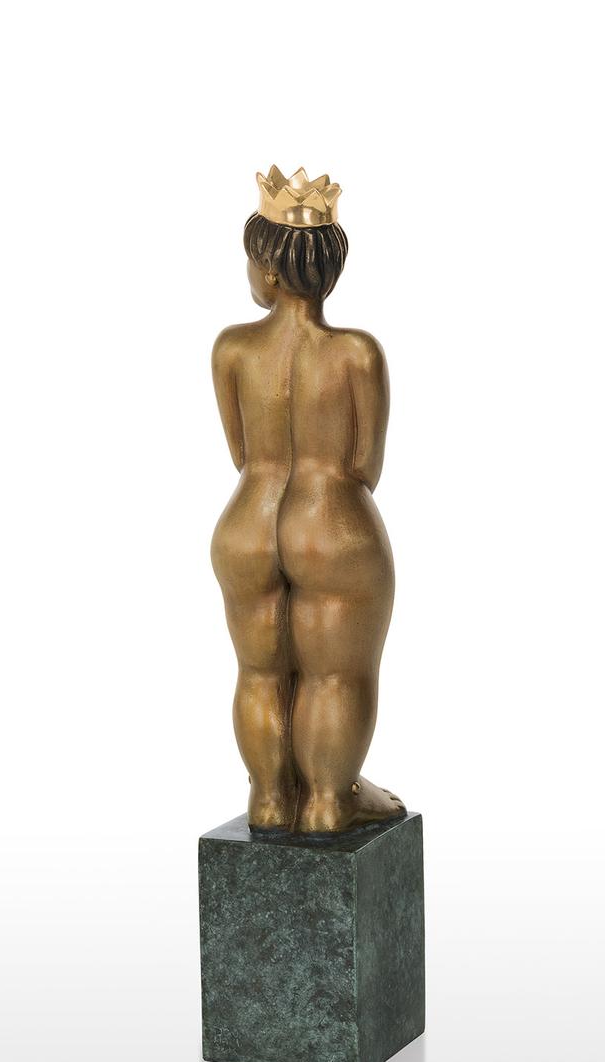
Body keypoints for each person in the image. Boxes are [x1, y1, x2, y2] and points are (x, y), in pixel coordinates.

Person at [211, 167, 405, 833]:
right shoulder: (357, 354)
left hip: (248, 520)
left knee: (259, 671)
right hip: (332, 524)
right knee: (335, 675)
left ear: (268, 268)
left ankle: (269, 799)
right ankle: (327, 800)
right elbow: (364, 465)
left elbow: (241, 451)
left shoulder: (232, 349)